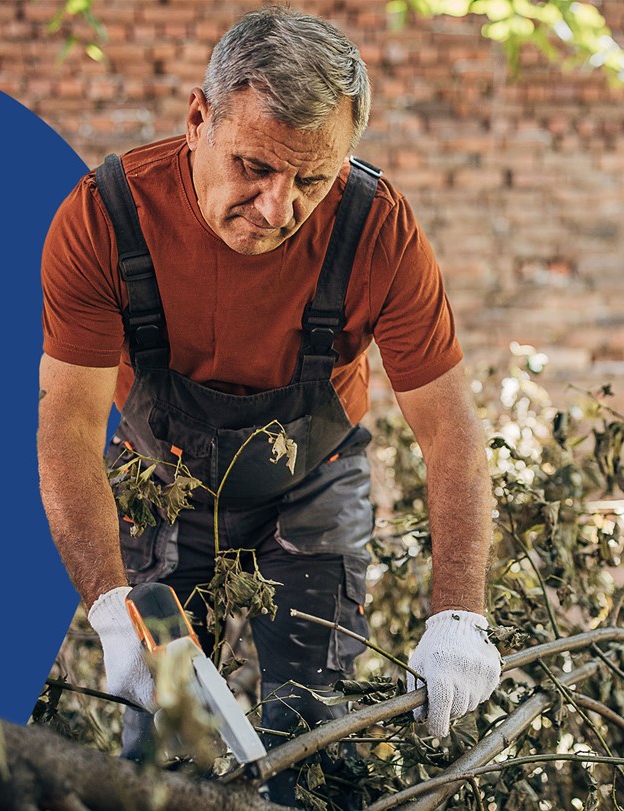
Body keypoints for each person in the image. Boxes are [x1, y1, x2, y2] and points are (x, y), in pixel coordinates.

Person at [37, 6, 501, 805]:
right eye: (253, 165)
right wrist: (114, 611)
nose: (277, 207)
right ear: (196, 119)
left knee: (311, 737)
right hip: (161, 482)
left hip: (312, 485)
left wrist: (460, 615)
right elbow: (69, 430)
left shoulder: (376, 230)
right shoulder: (104, 221)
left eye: (312, 179)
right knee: (166, 743)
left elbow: (451, 434)